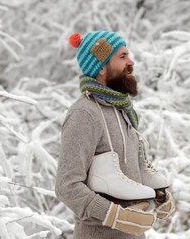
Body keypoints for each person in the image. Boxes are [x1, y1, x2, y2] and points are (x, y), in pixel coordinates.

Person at [55, 31, 175, 238]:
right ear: (101, 66)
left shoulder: (123, 112)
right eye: (122, 57)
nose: (131, 62)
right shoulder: (85, 114)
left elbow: (131, 174)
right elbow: (67, 186)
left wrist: (157, 195)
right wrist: (112, 215)